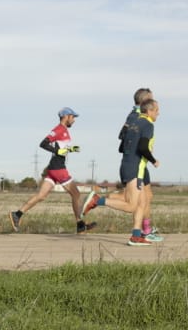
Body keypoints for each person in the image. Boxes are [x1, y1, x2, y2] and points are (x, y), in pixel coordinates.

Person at [83, 97, 163, 245]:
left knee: (141, 203)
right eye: (157, 110)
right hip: (135, 168)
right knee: (132, 205)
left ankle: (136, 235)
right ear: (149, 110)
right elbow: (142, 148)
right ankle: (98, 200)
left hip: (127, 165)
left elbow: (121, 147)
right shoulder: (148, 124)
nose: (158, 114)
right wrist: (153, 160)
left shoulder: (134, 123)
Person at [9, 107, 96, 234]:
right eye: (73, 117)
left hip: (53, 169)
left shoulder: (64, 131)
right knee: (76, 194)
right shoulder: (59, 129)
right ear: (66, 116)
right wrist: (57, 151)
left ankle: (17, 214)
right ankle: (80, 224)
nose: (74, 120)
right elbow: (43, 143)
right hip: (58, 168)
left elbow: (61, 148)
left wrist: (70, 150)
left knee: (41, 196)